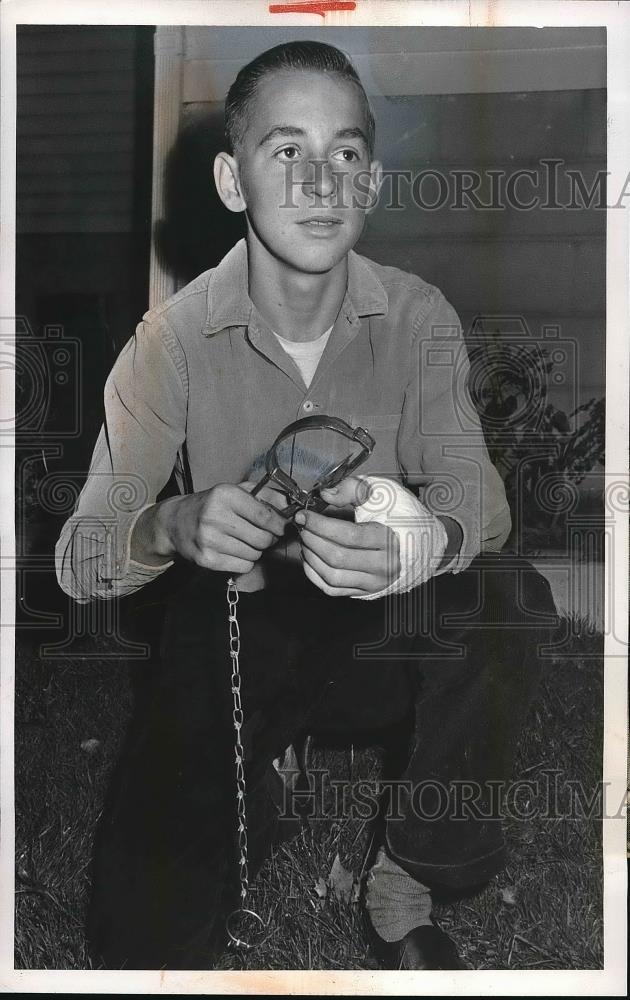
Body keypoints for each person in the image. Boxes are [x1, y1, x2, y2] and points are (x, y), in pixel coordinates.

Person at [55, 40, 558, 970]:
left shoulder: (418, 317)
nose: (321, 180)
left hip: (376, 632)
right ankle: (263, 776)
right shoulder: (167, 341)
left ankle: (412, 871)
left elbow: (480, 508)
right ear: (231, 179)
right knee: (136, 942)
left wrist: (416, 545)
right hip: (238, 638)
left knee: (504, 597)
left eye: (347, 154)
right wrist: (170, 523)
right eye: (285, 150)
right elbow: (80, 556)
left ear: (371, 183)